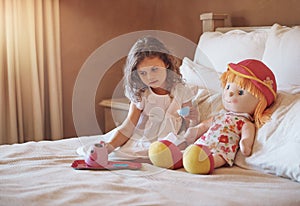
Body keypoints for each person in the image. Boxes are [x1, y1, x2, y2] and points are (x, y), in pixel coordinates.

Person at [80, 36, 198, 161]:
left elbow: (190, 125)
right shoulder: (142, 95)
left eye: (154, 69)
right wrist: (111, 146)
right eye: (143, 73)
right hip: (144, 140)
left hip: (171, 141)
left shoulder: (181, 91)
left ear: (166, 63)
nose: (150, 77)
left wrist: (193, 120)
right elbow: (128, 126)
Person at [149, 59, 277, 173]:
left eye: (240, 92)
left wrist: (245, 145)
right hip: (202, 144)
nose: (230, 93)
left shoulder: (245, 123)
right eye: (228, 87)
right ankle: (173, 159)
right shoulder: (219, 115)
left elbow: (247, 137)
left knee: (213, 158)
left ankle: (205, 163)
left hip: (222, 150)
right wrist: (194, 130)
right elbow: (204, 125)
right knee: (190, 154)